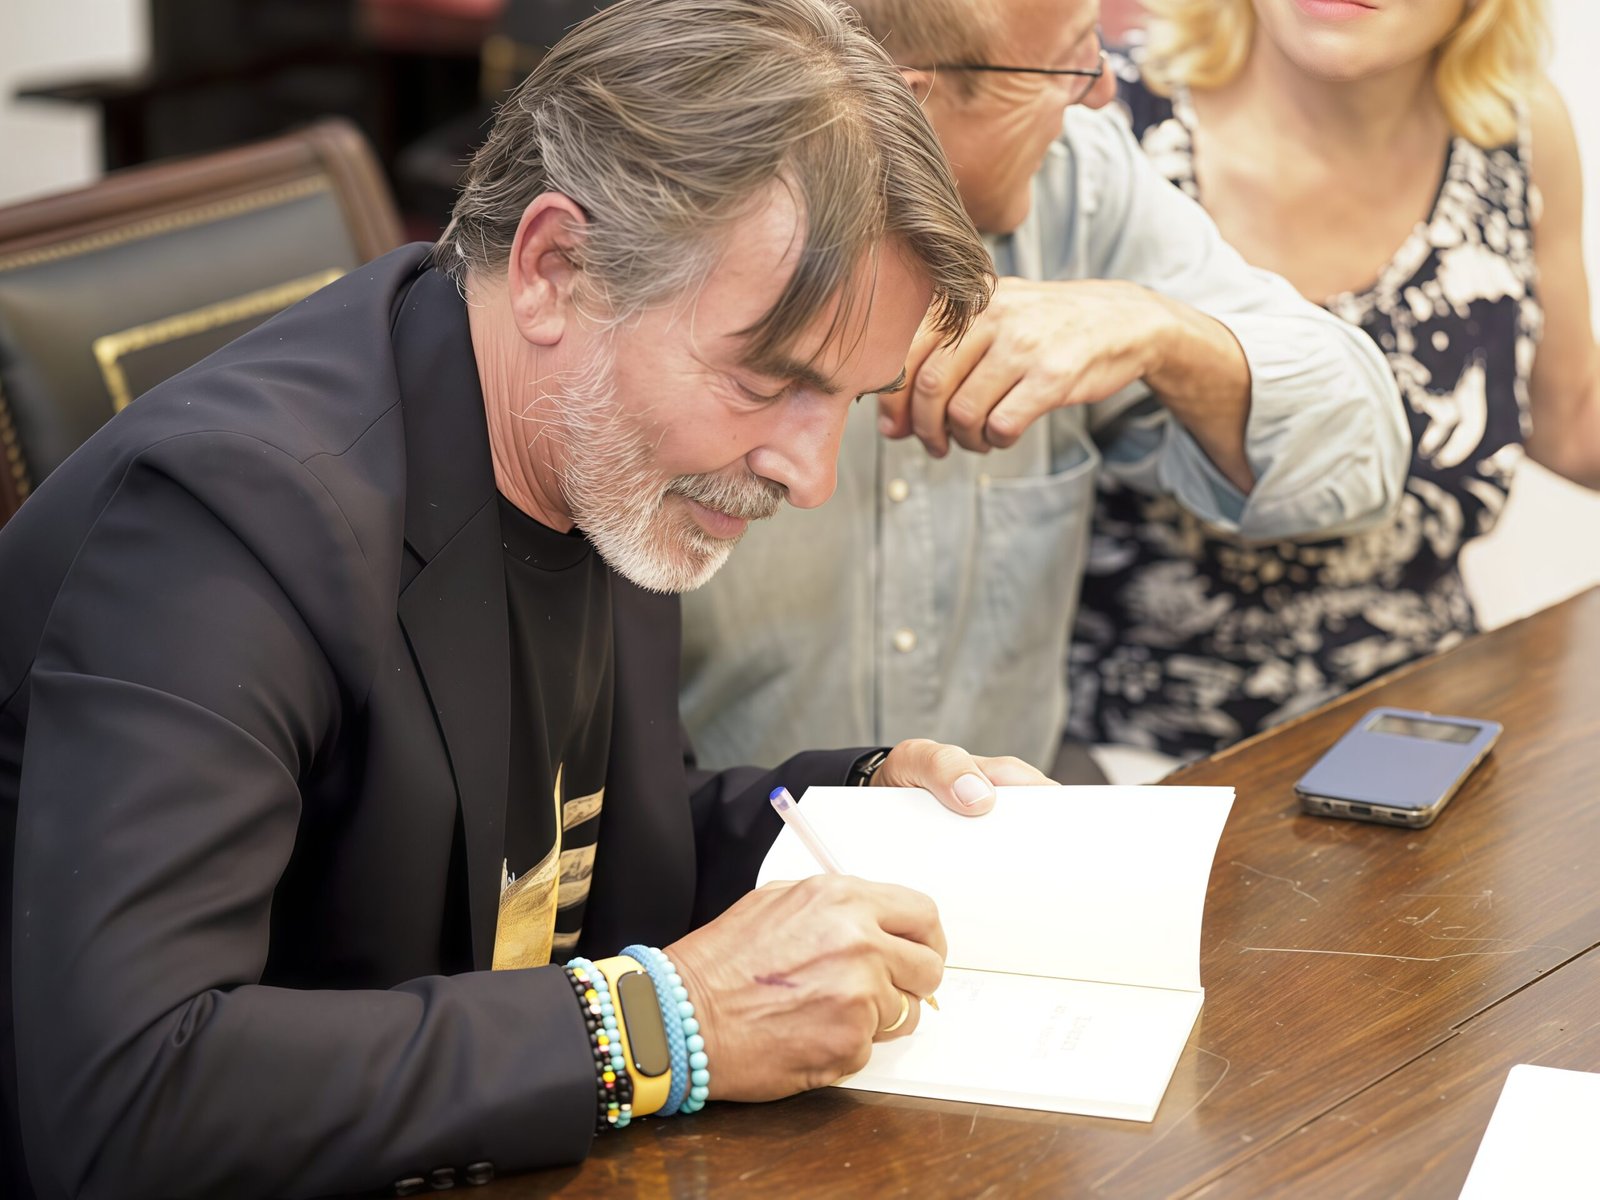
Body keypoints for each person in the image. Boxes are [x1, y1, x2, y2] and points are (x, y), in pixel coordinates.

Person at [0, 2, 1049, 1196]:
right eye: (768, 380)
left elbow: (551, 845)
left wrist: (860, 816)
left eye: (848, 401)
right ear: (556, 269)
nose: (809, 477)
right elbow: (132, 1098)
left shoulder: (590, 441)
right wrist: (652, 1026)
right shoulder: (225, 522)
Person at [678, 0, 1411, 780]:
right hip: (723, 844)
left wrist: (1156, 328)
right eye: (1064, 62)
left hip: (1010, 825)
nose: (1103, 88)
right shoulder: (680, 208)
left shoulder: (1081, 182)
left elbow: (1360, 458)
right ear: (904, 98)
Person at [1069, 0, 1600, 761]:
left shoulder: (1513, 128)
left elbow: (1572, 416)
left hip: (1418, 731)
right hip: (1121, 759)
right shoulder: (1098, 112)